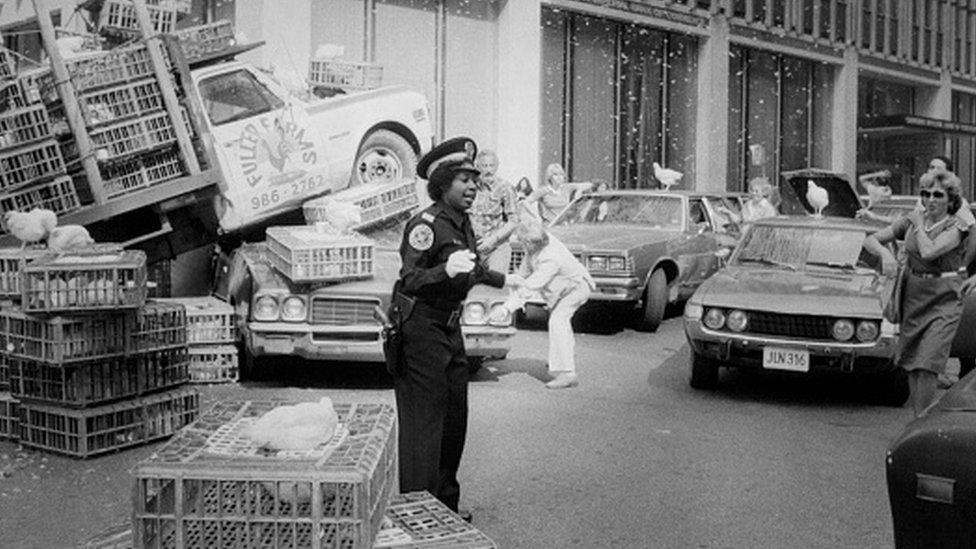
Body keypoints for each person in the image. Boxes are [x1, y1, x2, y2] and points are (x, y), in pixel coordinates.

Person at [390, 136, 522, 516]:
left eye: (474, 180)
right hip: (422, 329)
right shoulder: (426, 224)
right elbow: (411, 278)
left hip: (450, 328)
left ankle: (444, 507)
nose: (472, 187)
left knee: (453, 420)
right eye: (464, 179)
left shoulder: (462, 222)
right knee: (424, 426)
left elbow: (474, 266)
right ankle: (417, 510)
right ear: (442, 183)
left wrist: (508, 281)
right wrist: (441, 271)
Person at [863, 170, 972, 417]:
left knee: (929, 361)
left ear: (950, 199)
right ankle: (918, 417)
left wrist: (919, 224)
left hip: (945, 296)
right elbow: (872, 240)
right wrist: (886, 254)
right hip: (913, 294)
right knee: (912, 361)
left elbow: (929, 251)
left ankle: (923, 419)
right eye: (926, 194)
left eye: (937, 195)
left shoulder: (957, 226)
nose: (931, 199)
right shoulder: (910, 221)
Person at [491, 219, 594, 389]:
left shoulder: (551, 257)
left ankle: (567, 374)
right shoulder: (535, 245)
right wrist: (508, 284)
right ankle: (564, 361)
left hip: (576, 288)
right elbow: (523, 272)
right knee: (561, 324)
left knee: (558, 322)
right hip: (563, 289)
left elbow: (531, 286)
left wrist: (506, 309)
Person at [469, 149, 519, 272]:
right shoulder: (470, 188)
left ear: (497, 167)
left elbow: (513, 221)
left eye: (492, 166)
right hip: (473, 248)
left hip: (497, 248)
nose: (488, 170)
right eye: (484, 166)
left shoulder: (505, 188)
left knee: (495, 287)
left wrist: (492, 241)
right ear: (477, 166)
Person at [529, 163, 593, 224]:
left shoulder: (567, 188)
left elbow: (589, 184)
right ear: (550, 177)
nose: (559, 177)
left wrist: (579, 191)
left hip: (563, 226)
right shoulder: (543, 190)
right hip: (549, 226)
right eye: (556, 175)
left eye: (561, 174)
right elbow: (526, 203)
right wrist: (534, 217)